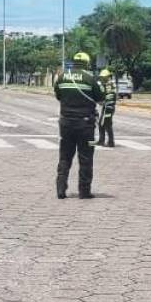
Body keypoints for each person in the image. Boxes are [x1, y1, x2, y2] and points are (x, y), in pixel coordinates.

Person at [53, 52, 104, 199]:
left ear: (73, 62)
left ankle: (61, 188)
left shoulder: (62, 77)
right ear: (87, 64)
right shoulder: (90, 79)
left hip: (66, 123)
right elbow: (101, 100)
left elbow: (58, 96)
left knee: (65, 157)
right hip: (86, 125)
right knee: (86, 158)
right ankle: (84, 191)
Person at [96, 68, 117, 148]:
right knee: (105, 124)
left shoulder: (108, 85)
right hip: (109, 107)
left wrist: (101, 101)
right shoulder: (110, 84)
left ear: (107, 77)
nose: (102, 79)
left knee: (105, 124)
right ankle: (103, 140)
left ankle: (109, 142)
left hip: (108, 107)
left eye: (103, 77)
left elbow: (106, 96)